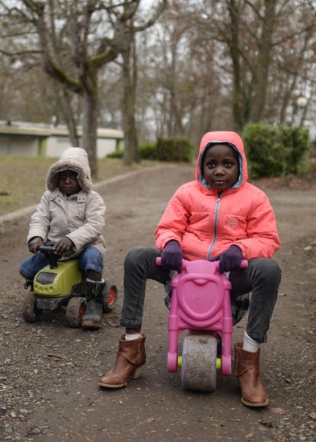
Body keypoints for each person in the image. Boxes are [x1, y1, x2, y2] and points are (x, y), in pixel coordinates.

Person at [98, 131, 282, 408]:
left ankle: (249, 361)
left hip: (229, 272)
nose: (219, 171)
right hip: (184, 270)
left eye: (228, 164)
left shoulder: (255, 198)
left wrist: (240, 250)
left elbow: (267, 239)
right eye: (212, 164)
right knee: (136, 257)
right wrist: (171, 243)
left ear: (240, 165)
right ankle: (131, 348)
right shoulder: (186, 193)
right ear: (201, 165)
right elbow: (168, 227)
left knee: (269, 270)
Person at [19, 148, 107, 329]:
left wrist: (71, 239)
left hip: (84, 245)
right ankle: (42, 293)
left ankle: (94, 303)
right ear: (55, 177)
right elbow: (40, 218)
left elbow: (95, 225)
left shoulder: (92, 198)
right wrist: (36, 237)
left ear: (82, 178)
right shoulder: (49, 197)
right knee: (27, 269)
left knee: (93, 260)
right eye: (62, 176)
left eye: (73, 176)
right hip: (54, 247)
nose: (67, 181)